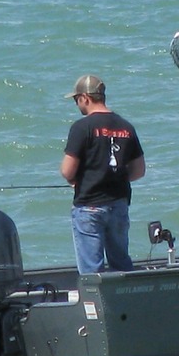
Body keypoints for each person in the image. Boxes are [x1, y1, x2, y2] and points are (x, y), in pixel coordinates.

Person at [60, 74, 145, 274]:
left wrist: (76, 179)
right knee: (121, 264)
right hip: (118, 204)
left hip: (89, 207)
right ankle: (125, 300)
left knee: (92, 271)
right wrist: (113, 177)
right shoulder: (126, 126)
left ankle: (96, 304)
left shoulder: (82, 127)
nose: (76, 104)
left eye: (76, 99)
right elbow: (139, 171)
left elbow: (67, 170)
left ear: (85, 98)